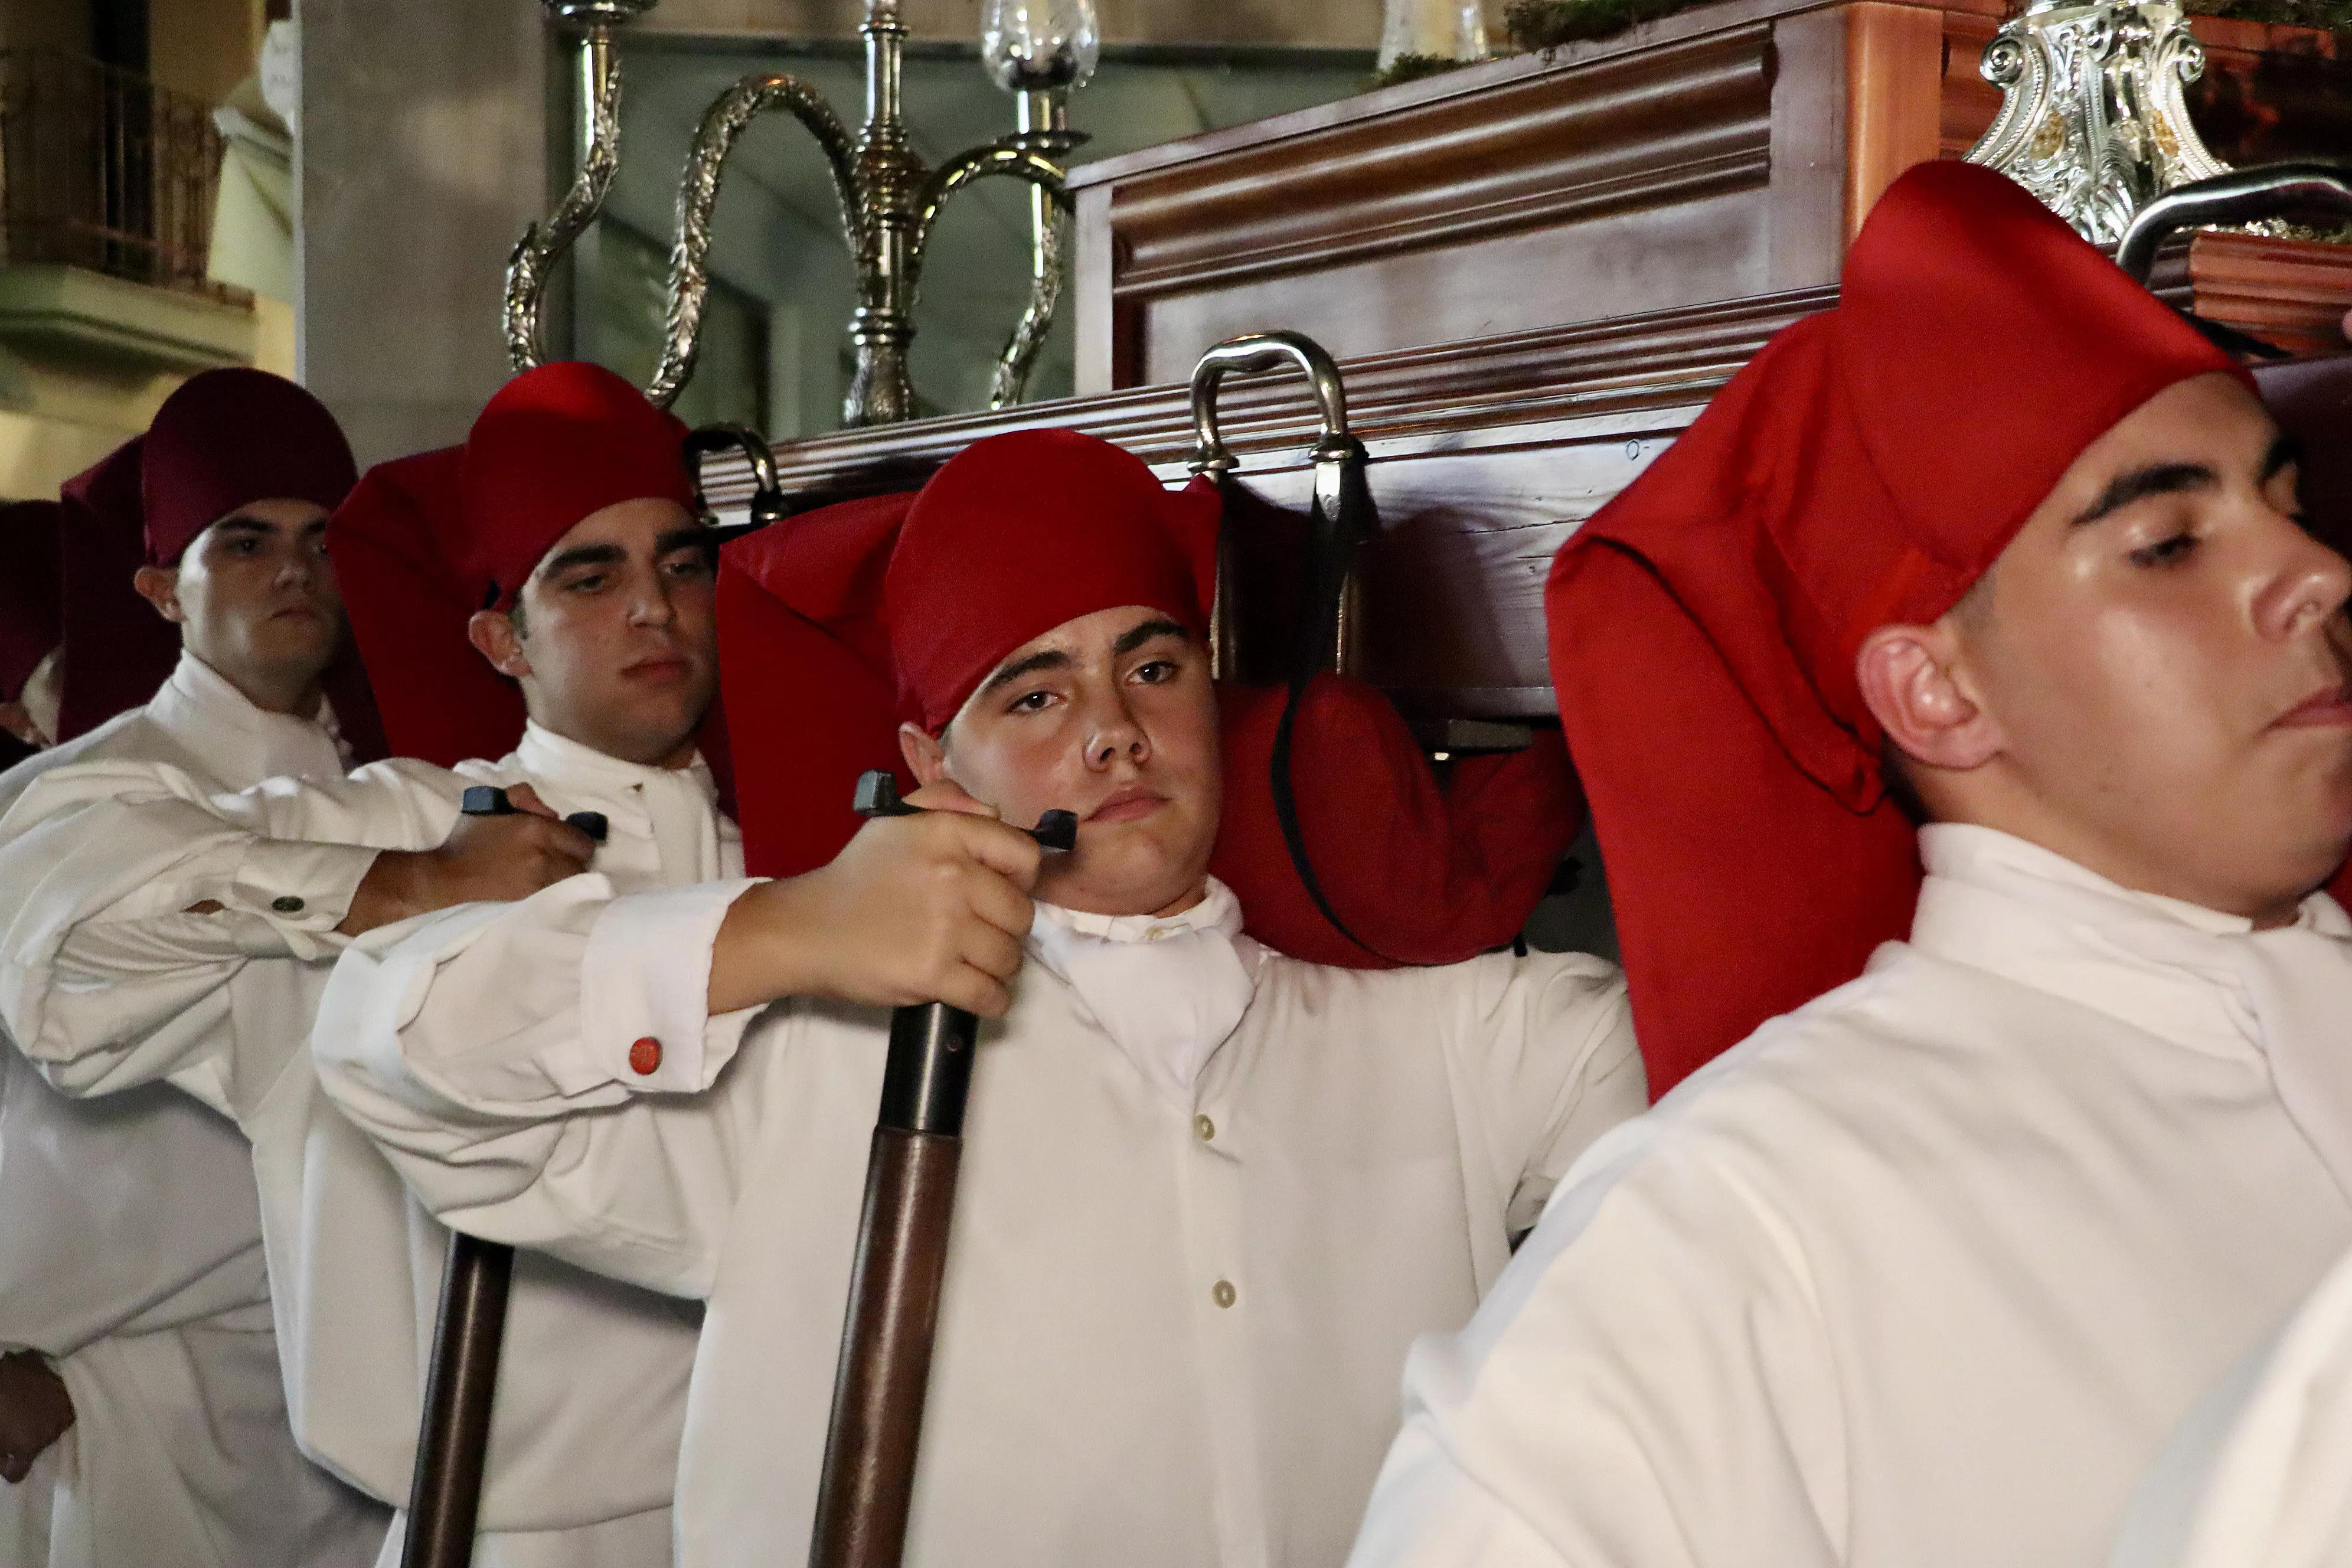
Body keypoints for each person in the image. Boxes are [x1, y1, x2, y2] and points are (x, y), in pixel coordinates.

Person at [309, 426, 1645, 1568]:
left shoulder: (1460, 1037)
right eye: (1035, 692)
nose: (1114, 725)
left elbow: (1732, 1073)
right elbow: (397, 1039)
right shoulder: (810, 1060)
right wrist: (782, 928)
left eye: (1155, 667)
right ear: (930, 766)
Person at [1344, 160, 2352, 1568]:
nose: (2318, 569)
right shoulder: (1731, 1230)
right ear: (1939, 695)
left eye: (2288, 502)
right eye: (2169, 540)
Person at [0, 360, 792, 1566]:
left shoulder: (788, 859)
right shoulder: (410, 823)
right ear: (498, 635)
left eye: (682, 563)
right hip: (491, 1525)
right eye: (590, 574)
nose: (654, 607)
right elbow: (55, 918)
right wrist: (403, 889)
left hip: (769, 1512)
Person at [0, 370, 390, 1568]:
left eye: (323, 538)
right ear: (166, 587)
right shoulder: (67, 797)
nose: (293, 570)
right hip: (119, 1397)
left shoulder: (414, 793)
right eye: (248, 541)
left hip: (362, 1382)